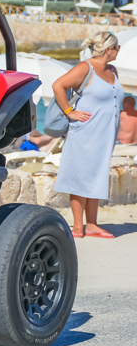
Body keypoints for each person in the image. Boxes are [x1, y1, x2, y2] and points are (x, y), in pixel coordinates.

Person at [52, 32, 122, 239]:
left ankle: (92, 224)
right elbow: (58, 85)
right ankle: (77, 226)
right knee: (81, 175)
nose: (119, 51)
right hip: (85, 131)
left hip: (105, 134)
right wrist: (68, 112)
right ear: (108, 50)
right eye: (117, 47)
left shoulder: (113, 70)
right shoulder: (86, 68)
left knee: (97, 174)